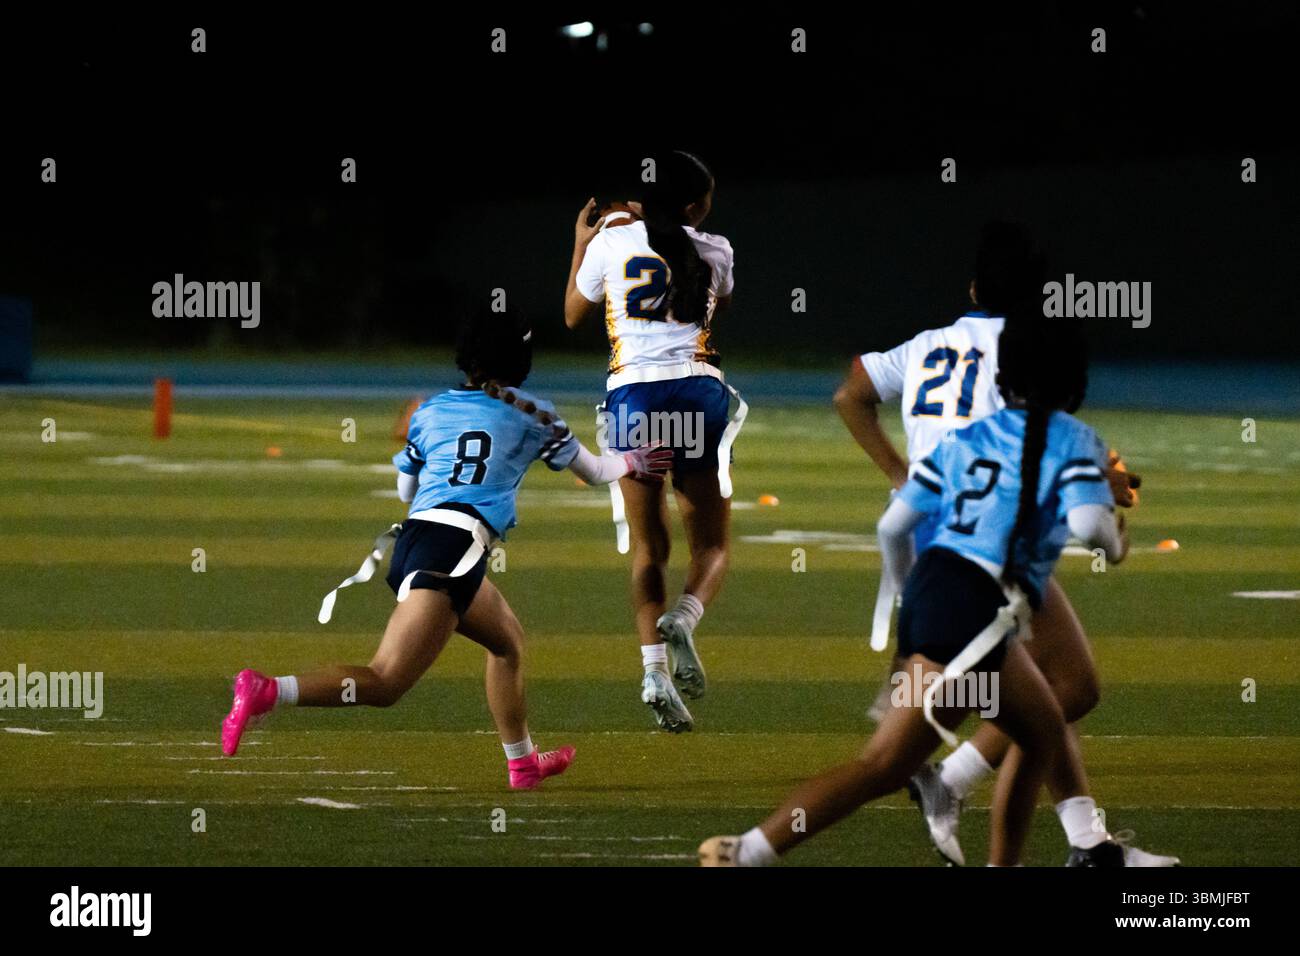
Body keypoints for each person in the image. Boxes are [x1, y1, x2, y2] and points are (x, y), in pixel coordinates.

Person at [700, 307, 1128, 866]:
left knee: (1037, 728)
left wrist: (913, 602)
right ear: (1075, 383)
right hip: (977, 606)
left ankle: (747, 851)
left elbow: (893, 524)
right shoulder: (1072, 438)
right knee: (892, 763)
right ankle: (753, 851)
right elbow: (1092, 528)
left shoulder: (970, 435)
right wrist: (1117, 537)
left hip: (932, 588)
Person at [833, 222, 1176, 866]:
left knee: (1046, 689)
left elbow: (850, 392)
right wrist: (1108, 481)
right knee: (1066, 687)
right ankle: (947, 784)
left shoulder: (929, 344)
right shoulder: (1020, 352)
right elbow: (1032, 439)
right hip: (982, 540)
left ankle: (1082, 841)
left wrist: (902, 474)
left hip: (929, 527)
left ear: (972, 286)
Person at [220, 305, 671, 789]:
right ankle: (268, 690)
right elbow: (596, 472)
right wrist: (636, 461)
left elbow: (405, 490)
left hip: (420, 540)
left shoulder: (431, 409)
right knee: (385, 681)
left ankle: (522, 764)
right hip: (454, 549)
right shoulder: (533, 413)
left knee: (507, 644)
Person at [564, 150, 744, 732]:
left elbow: (571, 315)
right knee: (711, 548)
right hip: (698, 394)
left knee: (649, 549)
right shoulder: (716, 250)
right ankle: (685, 618)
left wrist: (581, 241)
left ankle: (653, 670)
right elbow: (718, 301)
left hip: (634, 400)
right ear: (694, 207)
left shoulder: (610, 245)